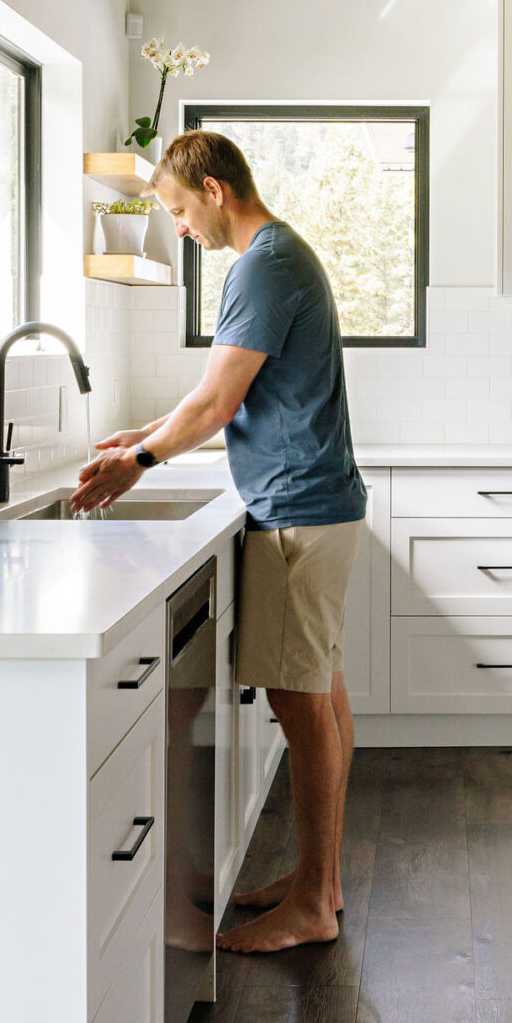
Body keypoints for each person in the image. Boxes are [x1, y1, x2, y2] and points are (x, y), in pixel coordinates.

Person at [72, 129, 365, 953]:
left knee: (300, 702)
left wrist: (137, 459)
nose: (178, 229)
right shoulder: (274, 255)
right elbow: (213, 396)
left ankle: (311, 904)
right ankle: (323, 883)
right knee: (321, 690)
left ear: (213, 189)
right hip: (313, 503)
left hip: (297, 511)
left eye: (176, 210)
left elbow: (214, 403)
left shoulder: (262, 265)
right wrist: (147, 431)